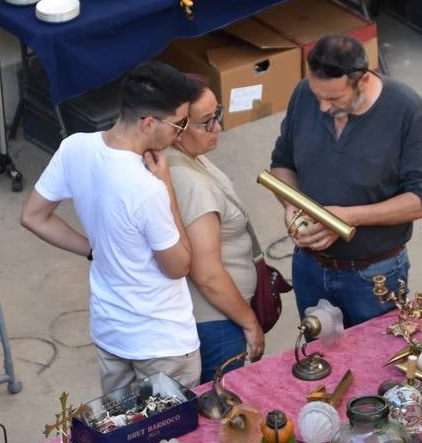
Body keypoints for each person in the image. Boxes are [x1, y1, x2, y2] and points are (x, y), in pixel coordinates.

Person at [21, 60, 201, 393]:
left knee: (121, 427)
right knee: (168, 438)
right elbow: (178, 266)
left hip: (110, 332)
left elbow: (33, 215)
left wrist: (93, 248)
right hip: (162, 341)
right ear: (149, 123)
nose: (181, 132)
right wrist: (167, 188)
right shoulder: (146, 188)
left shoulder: (75, 147)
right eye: (179, 123)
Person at [269, 33, 422, 328]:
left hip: (374, 274)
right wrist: (292, 205)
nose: (322, 107)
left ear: (362, 80)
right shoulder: (304, 94)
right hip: (309, 267)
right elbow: (282, 163)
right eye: (317, 95)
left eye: (334, 98)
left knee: (379, 362)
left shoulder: (406, 110)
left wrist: (347, 218)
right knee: (316, 361)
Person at [166, 80, 265, 384]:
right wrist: (250, 323)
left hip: (218, 315)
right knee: (226, 417)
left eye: (217, 114)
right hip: (218, 322)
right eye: (206, 122)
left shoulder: (184, 156)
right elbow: (207, 275)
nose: (217, 126)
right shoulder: (189, 183)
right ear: (177, 127)